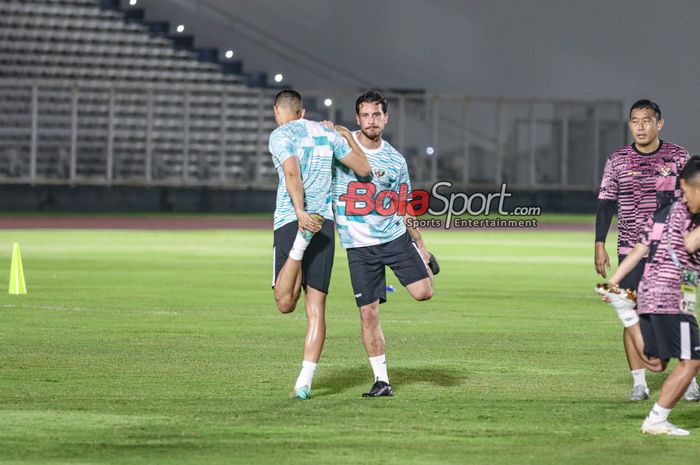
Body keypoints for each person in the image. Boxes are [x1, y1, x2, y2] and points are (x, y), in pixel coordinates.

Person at [329, 90, 437, 397]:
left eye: (377, 115)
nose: (371, 120)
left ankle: (422, 261)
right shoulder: (342, 145)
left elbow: (405, 206)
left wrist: (422, 246)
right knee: (368, 313)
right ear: (357, 118)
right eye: (365, 115)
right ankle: (382, 380)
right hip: (359, 248)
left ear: (386, 118)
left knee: (424, 293)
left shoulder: (395, 160)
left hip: (393, 238)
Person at [268, 89, 371, 400]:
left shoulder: (280, 135)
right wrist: (345, 134)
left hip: (292, 219)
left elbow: (291, 172)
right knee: (316, 309)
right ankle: (304, 382)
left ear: (278, 111)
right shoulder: (325, 133)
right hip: (325, 224)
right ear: (303, 111)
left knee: (285, 303)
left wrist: (299, 212)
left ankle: (299, 245)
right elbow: (364, 170)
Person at [595, 99, 698, 401]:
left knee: (683, 311)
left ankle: (689, 380)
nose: (640, 127)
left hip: (676, 253)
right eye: (635, 121)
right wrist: (599, 244)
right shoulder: (618, 160)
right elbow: (605, 202)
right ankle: (639, 383)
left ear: (659, 124)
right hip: (633, 249)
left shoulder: (679, 157)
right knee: (636, 313)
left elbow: (692, 201)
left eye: (646, 121)